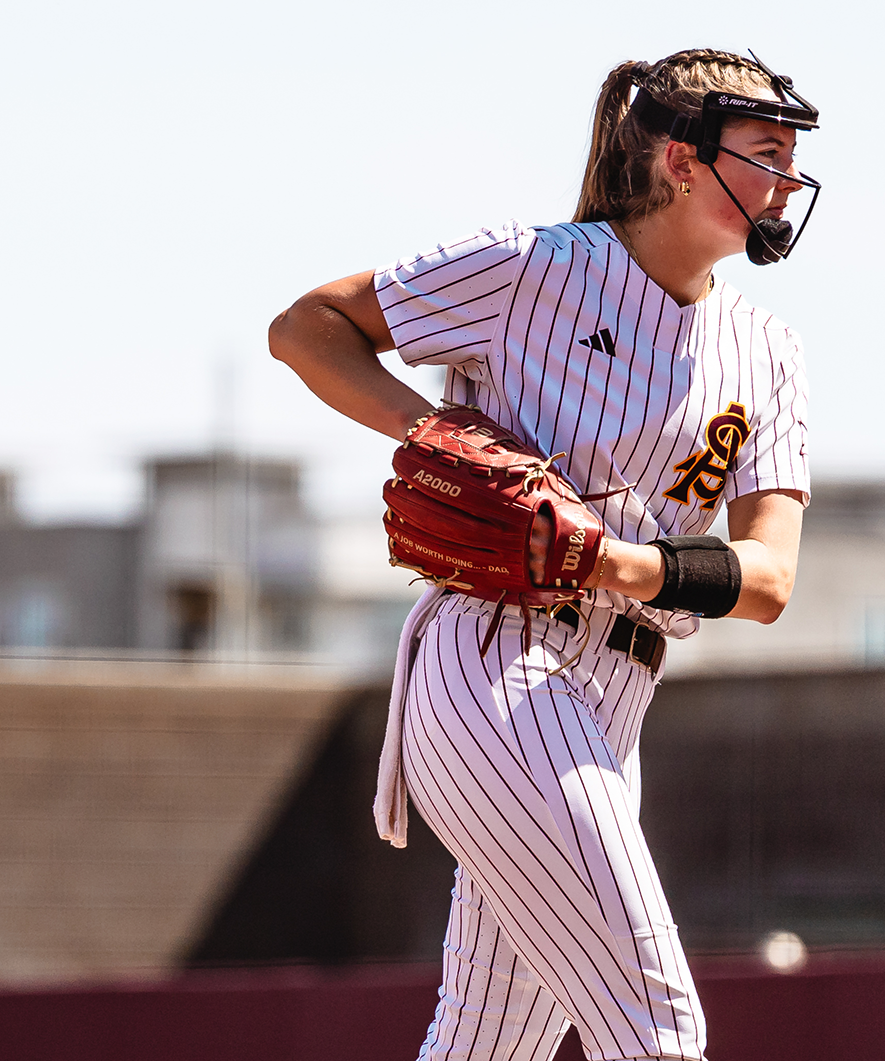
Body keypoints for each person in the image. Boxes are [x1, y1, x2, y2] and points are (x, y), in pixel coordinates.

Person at [267, 49, 818, 1061]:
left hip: (616, 700)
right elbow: (308, 328)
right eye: (766, 152)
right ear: (681, 159)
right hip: (494, 664)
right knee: (655, 1028)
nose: (787, 181)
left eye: (793, 159)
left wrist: (614, 561)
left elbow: (769, 579)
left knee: (487, 1043)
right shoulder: (534, 267)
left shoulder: (767, 350)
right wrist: (435, 432)